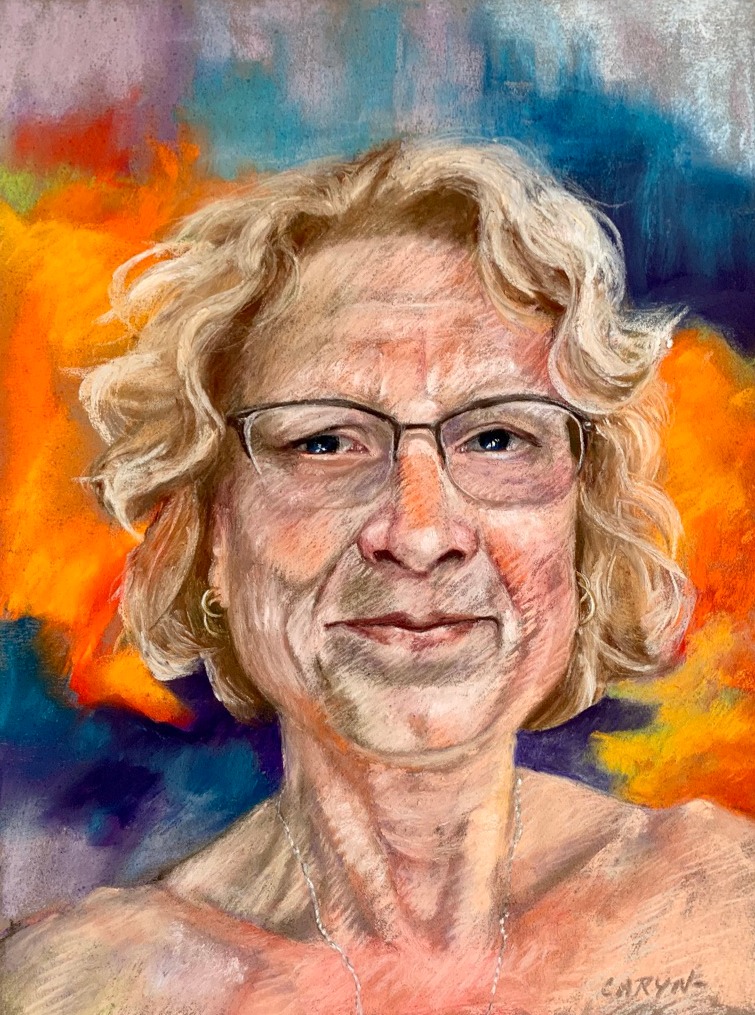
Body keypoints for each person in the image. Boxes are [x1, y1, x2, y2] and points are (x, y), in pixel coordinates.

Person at [1, 139, 753, 1015]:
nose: (420, 532)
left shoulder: (725, 911)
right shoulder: (87, 987)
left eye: (497, 437)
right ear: (208, 531)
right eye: (324, 441)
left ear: (583, 526)